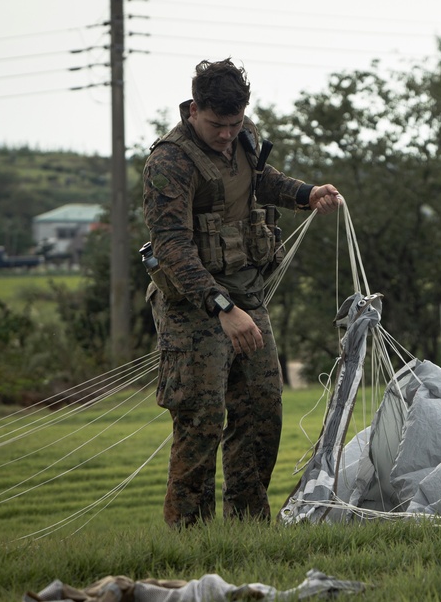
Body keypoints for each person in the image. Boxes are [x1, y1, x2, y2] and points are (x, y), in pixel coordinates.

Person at [142, 58, 341, 528]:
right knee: (201, 418)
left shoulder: (243, 135)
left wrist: (305, 193)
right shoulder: (168, 162)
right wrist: (221, 307)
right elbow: (170, 245)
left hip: (247, 292)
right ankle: (192, 539)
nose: (227, 134)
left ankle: (248, 528)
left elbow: (260, 181)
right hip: (194, 305)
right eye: (217, 125)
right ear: (194, 110)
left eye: (235, 123)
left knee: (261, 410)